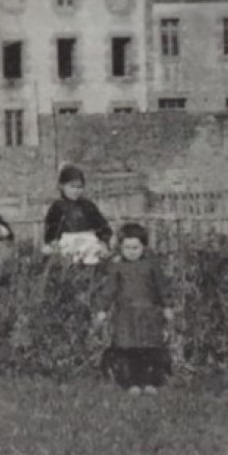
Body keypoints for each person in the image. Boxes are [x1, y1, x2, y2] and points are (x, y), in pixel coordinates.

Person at [95, 223, 174, 395]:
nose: (131, 251)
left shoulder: (151, 266)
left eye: (135, 247)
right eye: (127, 247)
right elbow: (109, 289)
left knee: (150, 349)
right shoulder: (117, 267)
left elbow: (162, 287)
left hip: (149, 314)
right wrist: (103, 309)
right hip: (126, 315)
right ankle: (132, 383)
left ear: (143, 247)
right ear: (121, 247)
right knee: (128, 350)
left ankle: (150, 382)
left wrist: (167, 306)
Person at [43, 165, 111, 263]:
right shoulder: (57, 207)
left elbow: (102, 226)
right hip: (66, 244)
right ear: (61, 186)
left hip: (88, 243)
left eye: (79, 187)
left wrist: (103, 242)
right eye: (72, 186)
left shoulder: (88, 206)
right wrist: (53, 242)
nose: (76, 191)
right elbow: (51, 229)